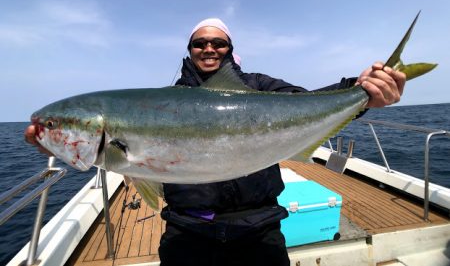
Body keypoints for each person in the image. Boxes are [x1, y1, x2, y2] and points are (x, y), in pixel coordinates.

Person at [24, 18, 406, 266]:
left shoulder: (258, 89)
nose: (209, 49)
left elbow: (308, 103)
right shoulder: (167, 99)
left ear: (229, 49)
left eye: (218, 43)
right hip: (188, 234)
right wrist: (54, 142)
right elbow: (109, 158)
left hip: (259, 230)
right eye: (200, 43)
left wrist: (360, 92)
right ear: (189, 51)